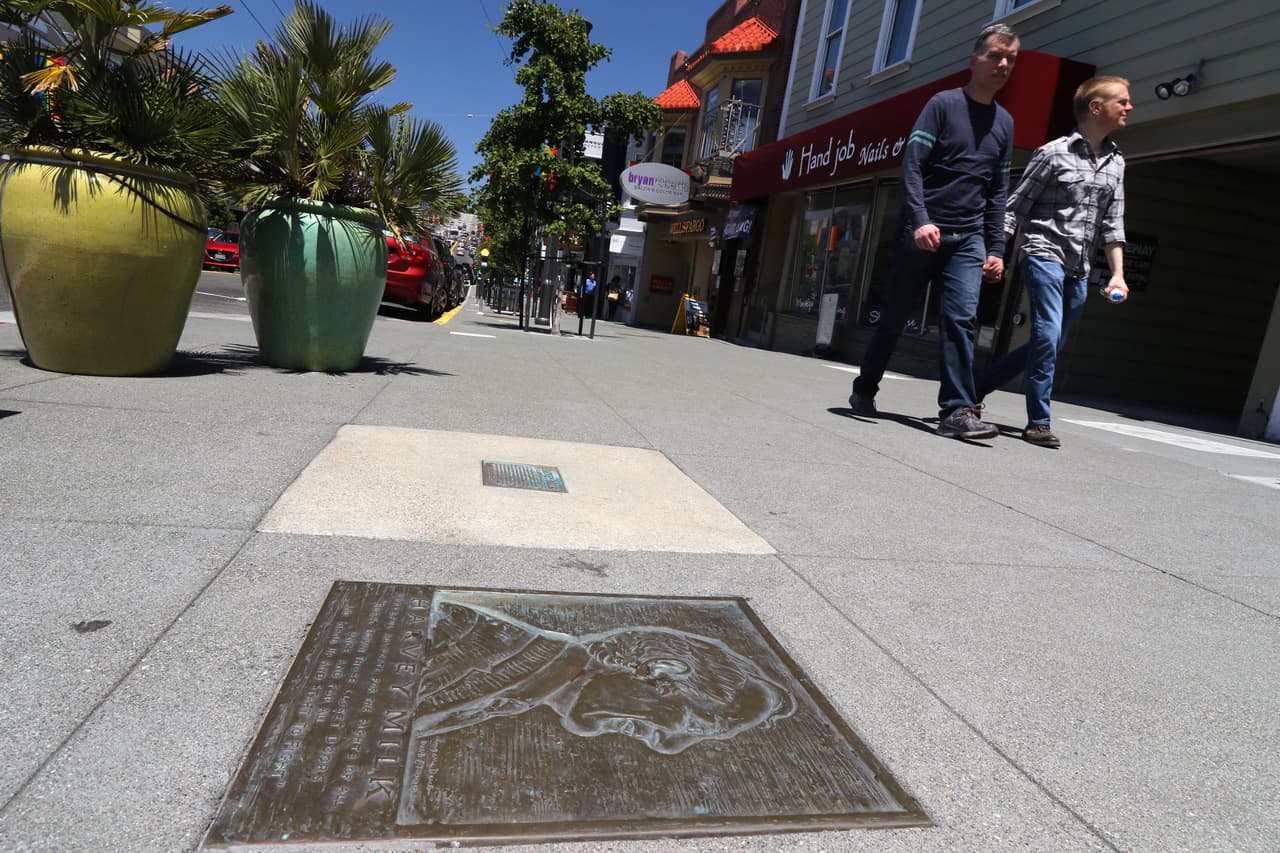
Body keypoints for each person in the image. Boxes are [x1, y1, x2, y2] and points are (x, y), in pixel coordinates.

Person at [397, 595, 795, 824]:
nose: (669, 747)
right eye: (695, 724)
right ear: (658, 670)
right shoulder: (465, 639)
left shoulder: (508, 683)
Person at [849, 24, 1019, 440]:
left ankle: (957, 411)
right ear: (974, 59)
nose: (1003, 64)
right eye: (996, 55)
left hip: (969, 237)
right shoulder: (942, 105)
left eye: (1011, 59)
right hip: (924, 231)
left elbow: (998, 192)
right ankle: (864, 388)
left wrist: (996, 247)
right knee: (895, 316)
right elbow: (912, 167)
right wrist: (921, 218)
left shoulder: (1005, 123)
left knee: (960, 319)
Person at [975, 76, 1132, 449]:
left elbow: (1113, 224)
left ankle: (976, 387)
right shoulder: (1052, 153)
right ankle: (1038, 421)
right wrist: (996, 251)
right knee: (1046, 333)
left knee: (1049, 343)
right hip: (1043, 251)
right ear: (1096, 107)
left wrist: (1119, 275)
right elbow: (1015, 208)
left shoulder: (1117, 162)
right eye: (1122, 101)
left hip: (1079, 266)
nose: (1129, 107)